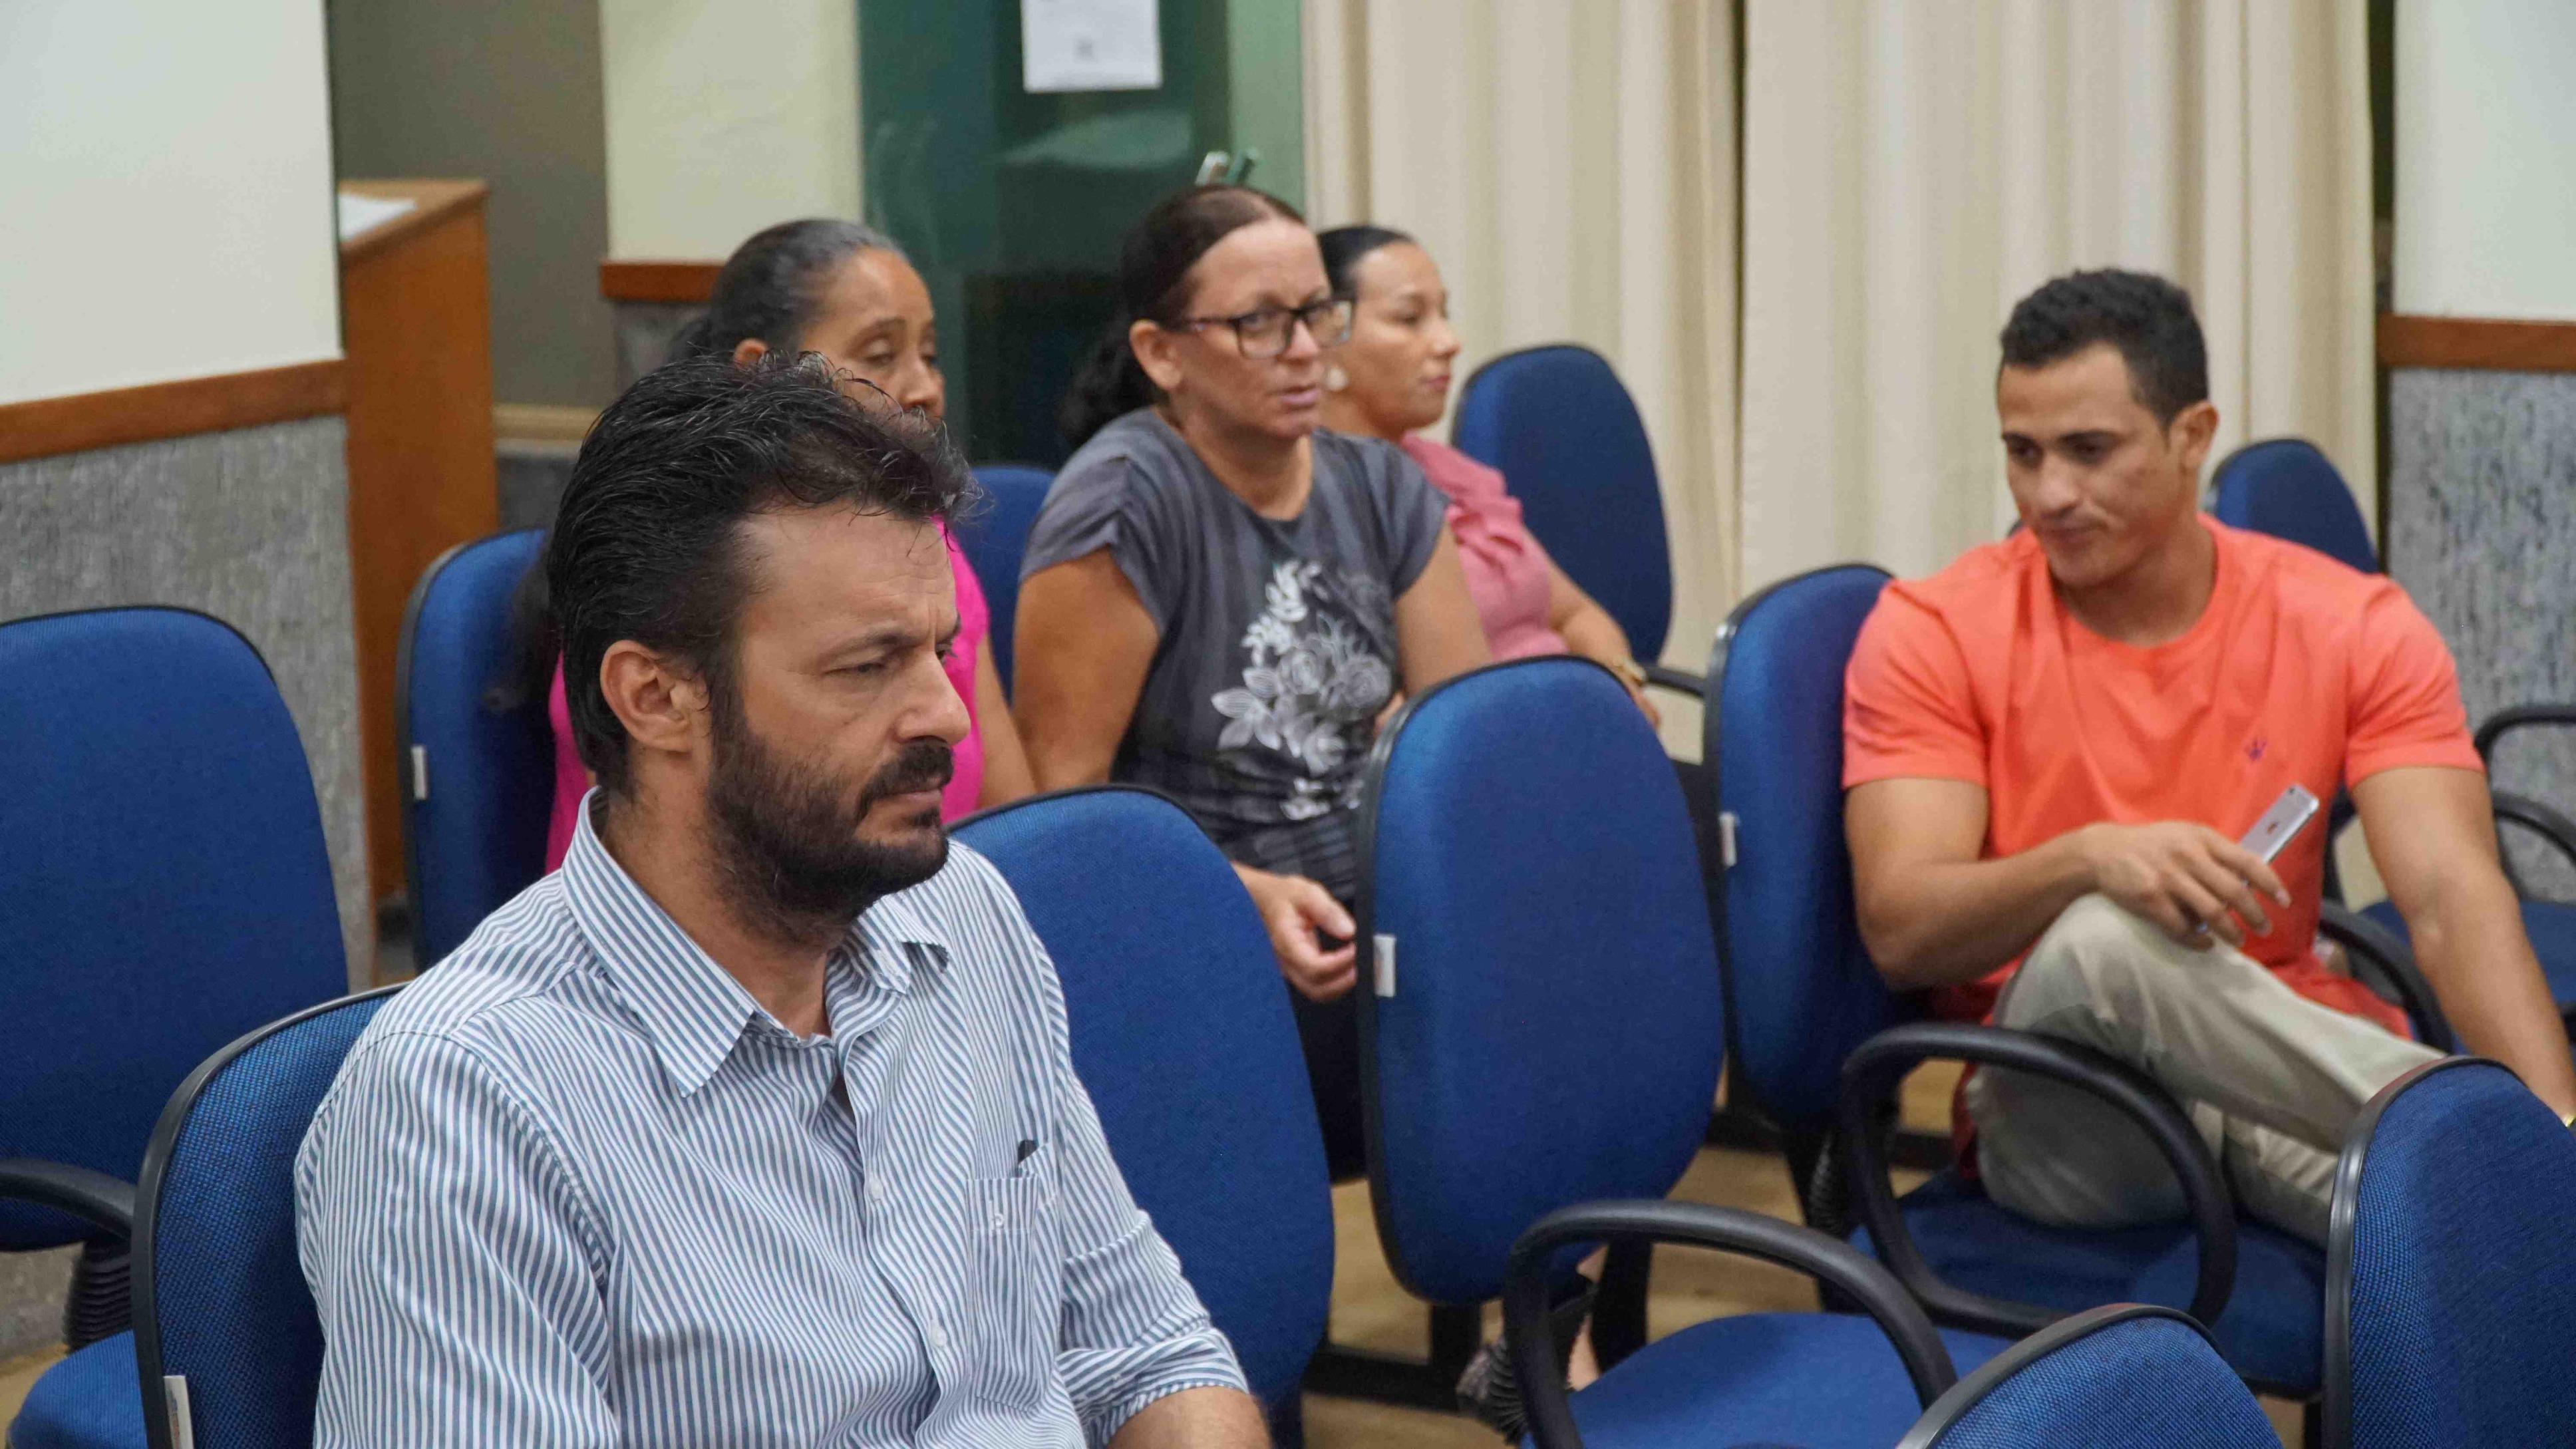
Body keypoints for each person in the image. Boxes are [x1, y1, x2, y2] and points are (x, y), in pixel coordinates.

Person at [297, 355, 1266, 1447]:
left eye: (941, 649)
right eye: (868, 666)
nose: (948, 716)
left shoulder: (964, 916)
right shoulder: (466, 1105)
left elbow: (1150, 1351)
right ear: (655, 697)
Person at [1844, 268, 2576, 1249]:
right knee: (2105, 937)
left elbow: (2449, 897)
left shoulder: (2347, 622)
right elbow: (1901, 930)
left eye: (2089, 451)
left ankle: (2542, 1158)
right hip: (2072, 1113)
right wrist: (2088, 858)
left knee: (2498, 1244)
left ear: (2191, 435)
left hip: (2270, 1081)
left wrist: (2556, 1107)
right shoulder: (1930, 629)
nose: (2049, 493)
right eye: (2023, 453)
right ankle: (2516, 1148)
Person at [1013, 186, 1490, 1181]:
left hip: (1380, 895)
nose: (1306, 350)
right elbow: (1064, 807)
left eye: (1316, 313)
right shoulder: (1124, 503)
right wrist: (1242, 896)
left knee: (1568, 943)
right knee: (1487, 1035)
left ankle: (1549, 1278)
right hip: (1206, 920)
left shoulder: (1382, 484)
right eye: (1260, 324)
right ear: (1162, 354)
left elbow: (1464, 748)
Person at [534, 218, 1032, 868]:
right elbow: (719, 888)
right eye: (880, 355)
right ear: (761, 372)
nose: (924, 389)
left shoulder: (929, 553)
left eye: (930, 355)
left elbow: (1019, 823)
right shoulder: (684, 576)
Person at [1314, 224, 1659, 720]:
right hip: (1494, 741)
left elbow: (1577, 613)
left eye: (1444, 314)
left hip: (1580, 720)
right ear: (1326, 337)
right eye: (1410, 318)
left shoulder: (1449, 472)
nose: (1449, 342)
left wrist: (1620, 683)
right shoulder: (1322, 504)